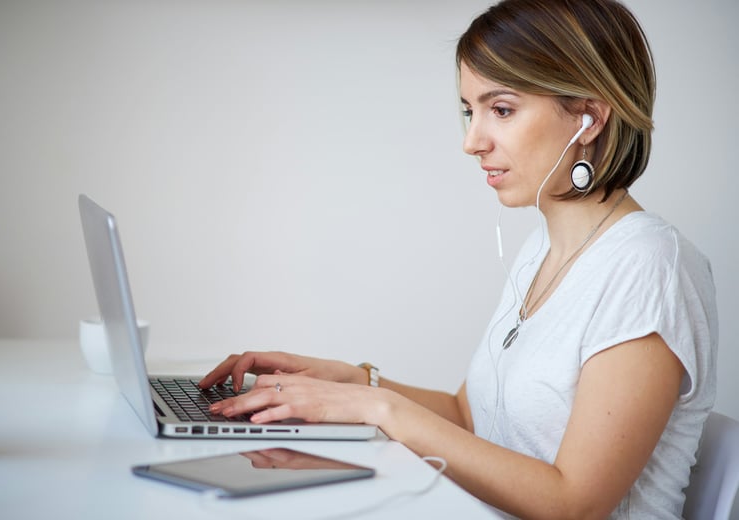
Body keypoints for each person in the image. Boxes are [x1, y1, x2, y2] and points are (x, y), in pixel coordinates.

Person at [199, 0, 718, 518]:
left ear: (589, 117)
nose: (472, 141)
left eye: (502, 109)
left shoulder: (652, 266)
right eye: (470, 112)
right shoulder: (543, 249)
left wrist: (378, 410)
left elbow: (573, 503)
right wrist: (353, 383)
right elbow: (469, 417)